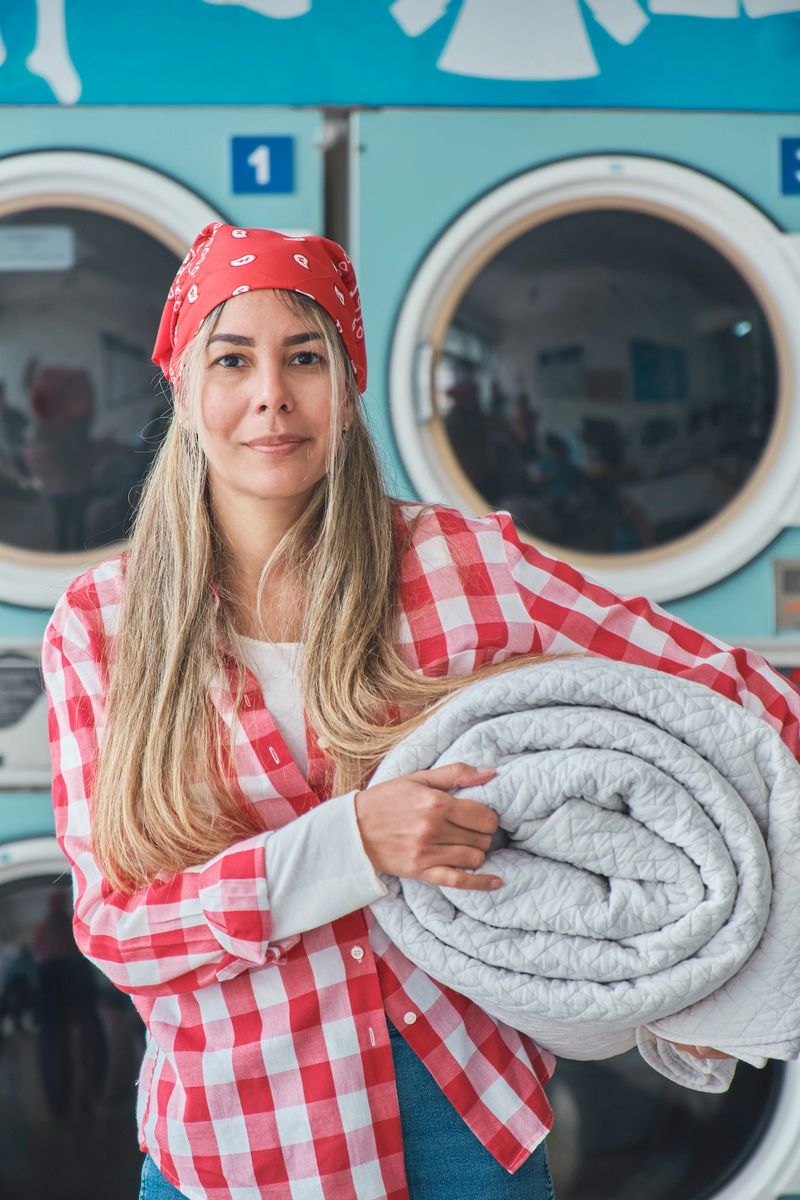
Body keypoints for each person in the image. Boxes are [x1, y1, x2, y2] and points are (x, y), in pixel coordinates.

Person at [41, 222, 800, 1200]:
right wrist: (354, 844)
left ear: (349, 390)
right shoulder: (103, 624)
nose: (270, 393)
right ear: (183, 392)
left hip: (467, 1119)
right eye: (231, 359)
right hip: (241, 1142)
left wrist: (738, 966)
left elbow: (723, 688)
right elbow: (117, 928)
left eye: (305, 357)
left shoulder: (459, 565)